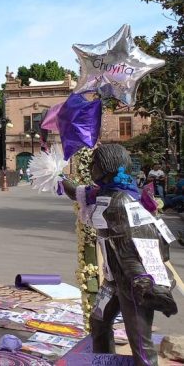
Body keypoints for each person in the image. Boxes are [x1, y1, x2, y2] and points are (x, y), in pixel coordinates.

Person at [62, 144, 177, 365]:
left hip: (133, 282)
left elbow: (139, 244)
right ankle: (103, 360)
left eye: (94, 164)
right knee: (99, 322)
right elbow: (78, 192)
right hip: (113, 280)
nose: (91, 168)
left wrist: (140, 281)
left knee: (140, 345)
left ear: (106, 167)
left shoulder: (123, 200)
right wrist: (56, 175)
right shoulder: (105, 193)